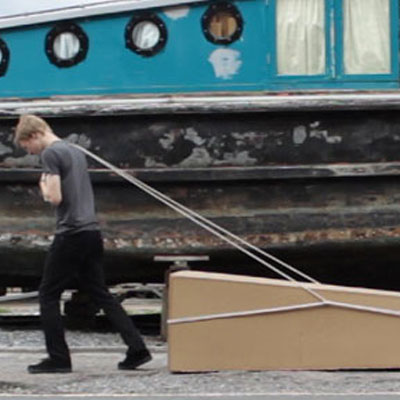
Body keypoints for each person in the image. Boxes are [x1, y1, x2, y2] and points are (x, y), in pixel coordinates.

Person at [14, 114, 152, 374]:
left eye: (26, 146)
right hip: (91, 232)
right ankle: (137, 348)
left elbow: (55, 197)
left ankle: (58, 359)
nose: (29, 152)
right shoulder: (75, 151)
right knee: (101, 293)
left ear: (34, 135)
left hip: (71, 234)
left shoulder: (51, 154)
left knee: (48, 295)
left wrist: (42, 187)